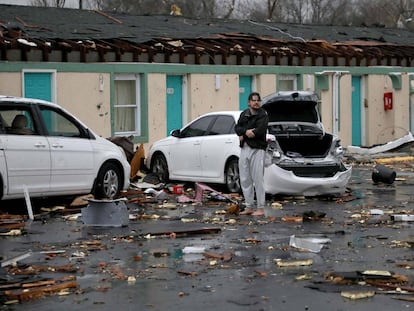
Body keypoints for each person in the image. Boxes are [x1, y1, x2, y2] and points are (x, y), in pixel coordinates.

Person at [235, 92, 269, 216]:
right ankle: (249, 206)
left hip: (258, 149)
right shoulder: (244, 114)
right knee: (245, 178)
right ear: (249, 102)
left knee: (258, 179)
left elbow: (260, 130)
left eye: (258, 100)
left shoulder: (263, 114)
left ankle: (260, 208)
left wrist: (245, 134)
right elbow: (237, 128)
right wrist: (246, 132)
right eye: (253, 100)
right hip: (245, 149)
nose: (256, 102)